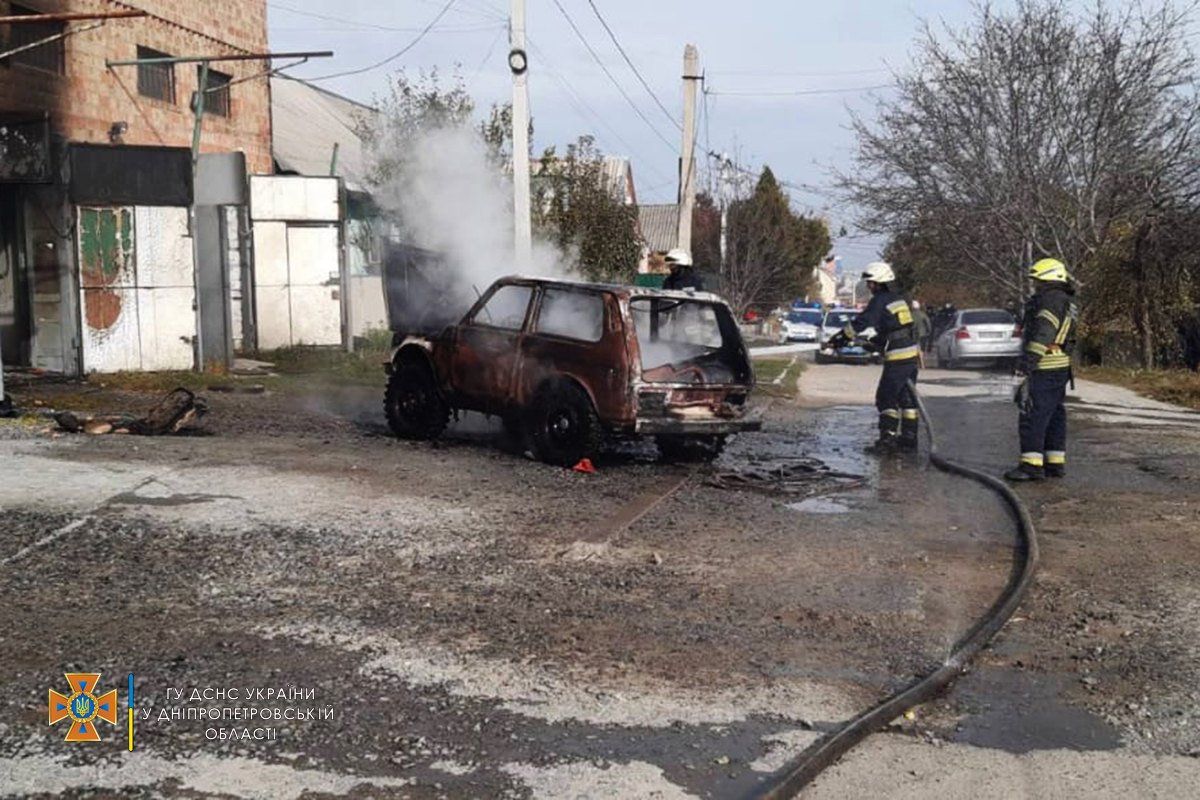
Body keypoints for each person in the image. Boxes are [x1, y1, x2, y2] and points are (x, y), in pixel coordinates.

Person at [827, 262, 921, 451]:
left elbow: (862, 322)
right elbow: (899, 327)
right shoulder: (898, 299)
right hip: (910, 354)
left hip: (898, 356)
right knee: (906, 398)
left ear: (880, 283)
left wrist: (840, 338)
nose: (869, 286)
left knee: (885, 397)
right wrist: (876, 342)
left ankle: (887, 440)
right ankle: (909, 439)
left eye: (871, 283)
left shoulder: (880, 300)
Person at [1005, 258, 1078, 482]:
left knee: (1032, 414)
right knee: (1054, 414)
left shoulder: (1049, 301)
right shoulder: (1065, 300)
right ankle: (1054, 463)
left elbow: (1043, 334)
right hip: (1059, 364)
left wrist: (1026, 365)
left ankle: (1031, 465)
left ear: (1048, 279)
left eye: (1038, 280)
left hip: (1044, 365)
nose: (1035, 285)